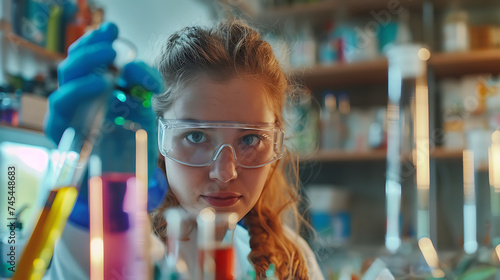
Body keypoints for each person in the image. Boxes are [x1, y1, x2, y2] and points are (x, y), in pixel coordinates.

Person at [43, 20, 324, 279]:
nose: (224, 173)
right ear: (159, 140)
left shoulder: (293, 258)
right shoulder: (131, 248)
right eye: (196, 135)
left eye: (250, 139)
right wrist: (104, 214)